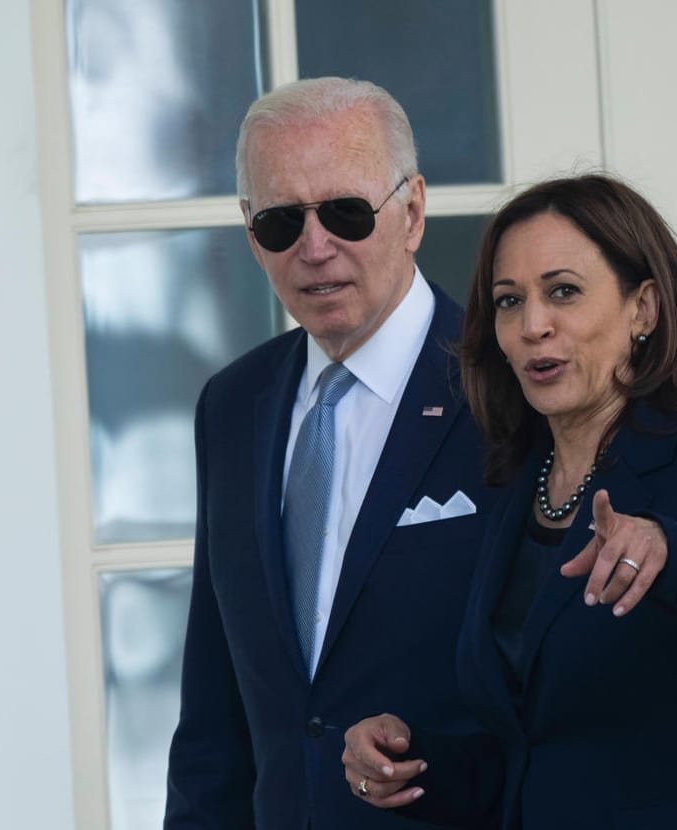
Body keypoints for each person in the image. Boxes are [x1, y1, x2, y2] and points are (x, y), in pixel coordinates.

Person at [342, 174, 677, 829]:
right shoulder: (509, 488)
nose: (531, 326)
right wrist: (406, 763)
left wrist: (673, 554)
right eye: (507, 301)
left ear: (642, 308)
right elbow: (536, 758)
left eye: (562, 292)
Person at [164, 77, 503, 830]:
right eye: (282, 222)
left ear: (410, 211)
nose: (315, 249)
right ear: (252, 234)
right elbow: (214, 705)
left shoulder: (507, 391)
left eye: (346, 212)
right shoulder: (233, 403)